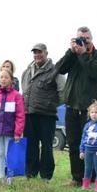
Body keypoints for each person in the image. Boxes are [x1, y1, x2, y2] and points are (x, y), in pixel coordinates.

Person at [55, 27, 97, 187]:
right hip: (72, 105)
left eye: (86, 38)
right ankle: (77, 178)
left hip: (91, 109)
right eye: (80, 38)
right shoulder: (73, 55)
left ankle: (91, 178)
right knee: (73, 143)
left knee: (92, 143)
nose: (83, 41)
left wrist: (84, 53)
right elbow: (59, 69)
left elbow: (95, 73)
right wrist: (71, 52)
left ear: (91, 39)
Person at [20, 43, 62, 181]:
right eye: (35, 53)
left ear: (46, 53)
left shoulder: (56, 70)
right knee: (30, 145)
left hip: (47, 115)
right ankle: (31, 173)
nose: (37, 55)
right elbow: (24, 91)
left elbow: (63, 92)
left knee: (47, 146)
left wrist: (51, 103)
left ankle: (46, 175)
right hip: (29, 114)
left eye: (40, 52)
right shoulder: (26, 72)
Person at [0, 69, 25, 186]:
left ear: (11, 80)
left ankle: (9, 178)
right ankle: (1, 177)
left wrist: (18, 132)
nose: (3, 79)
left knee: (9, 154)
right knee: (0, 153)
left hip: (10, 131)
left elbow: (20, 115)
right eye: (1, 77)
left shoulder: (17, 96)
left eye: (6, 77)